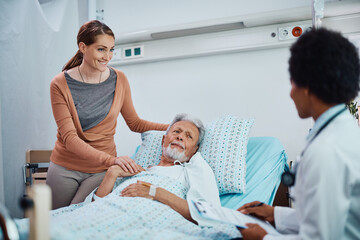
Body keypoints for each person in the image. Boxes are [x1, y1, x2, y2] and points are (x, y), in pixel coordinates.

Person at [237, 28, 360, 240]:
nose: (290, 93)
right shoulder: (342, 133)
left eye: (293, 82)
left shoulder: (326, 151)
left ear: (308, 85)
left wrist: (263, 238)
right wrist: (275, 214)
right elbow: (324, 216)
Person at [47, 20, 168, 210]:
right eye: (101, 49)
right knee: (51, 225)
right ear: (83, 47)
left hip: (100, 171)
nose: (108, 56)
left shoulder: (119, 79)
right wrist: (113, 160)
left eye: (111, 49)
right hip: (65, 167)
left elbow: (135, 123)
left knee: (79, 217)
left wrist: (173, 127)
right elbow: (69, 138)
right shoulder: (59, 84)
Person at [85, 113, 221, 224]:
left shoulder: (191, 170)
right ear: (163, 140)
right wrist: (112, 173)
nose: (180, 137)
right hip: (103, 218)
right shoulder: (135, 171)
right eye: (176, 131)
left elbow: (208, 214)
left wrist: (155, 192)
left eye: (188, 136)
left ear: (194, 150)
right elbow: (92, 207)